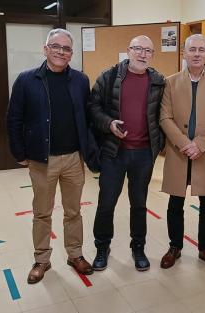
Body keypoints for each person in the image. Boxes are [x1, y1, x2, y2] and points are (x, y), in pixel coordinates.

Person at [6, 28, 93, 284]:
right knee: (42, 212)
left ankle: (75, 254)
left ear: (71, 54)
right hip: (42, 159)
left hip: (73, 159)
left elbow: (86, 118)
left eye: (66, 49)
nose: (61, 52)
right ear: (45, 49)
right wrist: (20, 153)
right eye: (56, 46)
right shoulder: (26, 80)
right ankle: (42, 259)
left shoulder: (80, 80)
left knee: (73, 211)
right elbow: (14, 119)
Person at [87, 35, 165, 272]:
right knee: (106, 203)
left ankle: (138, 247)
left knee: (139, 203)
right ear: (128, 51)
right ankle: (102, 247)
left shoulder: (159, 81)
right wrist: (109, 123)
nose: (142, 54)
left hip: (143, 154)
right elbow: (92, 107)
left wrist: (160, 144)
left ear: (152, 55)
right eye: (138, 49)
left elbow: (165, 115)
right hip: (114, 153)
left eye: (148, 51)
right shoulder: (108, 77)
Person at [159, 34, 205, 271]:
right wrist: (183, 143)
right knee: (174, 202)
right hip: (178, 152)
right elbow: (165, 117)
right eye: (192, 50)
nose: (197, 54)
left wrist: (200, 143)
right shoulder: (170, 82)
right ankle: (174, 247)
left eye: (202, 50)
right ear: (184, 53)